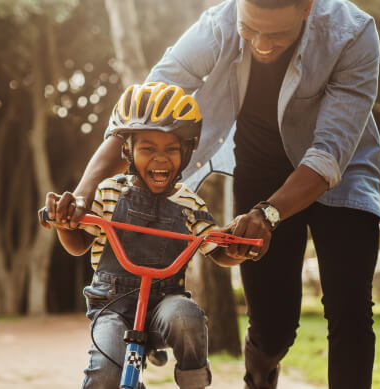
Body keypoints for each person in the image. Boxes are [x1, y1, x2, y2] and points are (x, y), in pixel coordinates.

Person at [61, 0, 380, 387]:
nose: (262, 47)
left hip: (343, 170)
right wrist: (83, 194)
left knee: (349, 307)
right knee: (274, 326)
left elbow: (328, 153)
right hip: (262, 170)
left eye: (277, 35)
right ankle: (261, 367)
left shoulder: (352, 33)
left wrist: (268, 215)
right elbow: (144, 113)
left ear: (306, 8)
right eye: (250, 31)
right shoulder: (218, 25)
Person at [43, 82, 244, 389]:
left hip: (166, 304)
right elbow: (79, 244)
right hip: (112, 305)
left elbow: (215, 248)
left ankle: (194, 381)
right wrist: (64, 225)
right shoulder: (109, 192)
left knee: (187, 318)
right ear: (127, 150)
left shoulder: (190, 203)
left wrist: (235, 248)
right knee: (106, 372)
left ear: (187, 150)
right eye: (148, 148)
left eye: (171, 149)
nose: (160, 159)